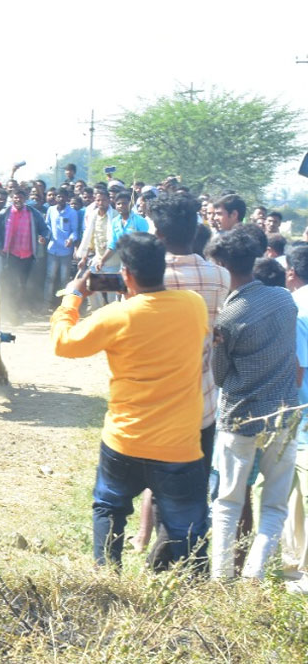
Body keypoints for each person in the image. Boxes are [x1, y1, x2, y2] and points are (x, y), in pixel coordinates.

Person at [51, 232, 209, 571]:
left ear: (126, 274)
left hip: (125, 439)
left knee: (109, 509)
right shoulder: (194, 305)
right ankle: (192, 591)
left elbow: (64, 343)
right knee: (188, 528)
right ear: (161, 269)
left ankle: (107, 577)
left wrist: (72, 298)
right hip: (179, 444)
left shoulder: (115, 316)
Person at [127, 193, 231, 556]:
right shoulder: (220, 277)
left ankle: (165, 550)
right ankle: (189, 551)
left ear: (158, 234)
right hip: (202, 400)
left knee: (159, 482)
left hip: (156, 400)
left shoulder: (149, 278)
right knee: (195, 481)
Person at [208, 226, 300, 580]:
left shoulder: (228, 317)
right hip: (284, 414)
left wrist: (217, 344)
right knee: (274, 504)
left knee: (228, 502)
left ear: (221, 265)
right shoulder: (283, 300)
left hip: (240, 417)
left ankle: (221, 578)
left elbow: (218, 375)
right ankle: (254, 576)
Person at [281, 245, 308, 588]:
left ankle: (295, 568)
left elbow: (299, 368)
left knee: (296, 494)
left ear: (291, 272)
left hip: (301, 412)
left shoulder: (298, 306)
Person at [0, 189, 48, 321]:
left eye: (21, 198)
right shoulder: (4, 213)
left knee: (23, 284)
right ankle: (7, 311)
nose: (18, 200)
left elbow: (45, 229)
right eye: (15, 198)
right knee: (10, 283)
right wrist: (0, 246)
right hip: (10, 255)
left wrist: (44, 237)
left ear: (25, 199)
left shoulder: (33, 213)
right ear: (11, 199)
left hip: (27, 255)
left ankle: (17, 310)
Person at [44, 190, 80, 303]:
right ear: (56, 198)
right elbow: (48, 226)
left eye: (63, 197)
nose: (61, 199)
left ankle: (64, 304)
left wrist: (71, 239)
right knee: (50, 277)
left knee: (64, 279)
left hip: (66, 251)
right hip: (52, 249)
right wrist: (45, 236)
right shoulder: (51, 210)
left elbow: (75, 231)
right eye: (59, 196)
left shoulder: (72, 212)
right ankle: (46, 304)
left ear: (67, 199)